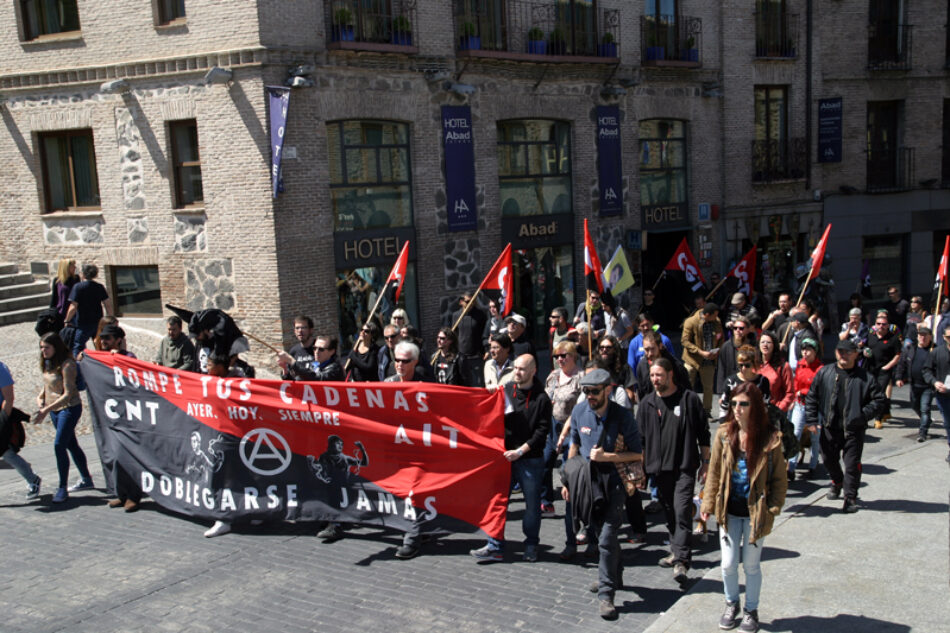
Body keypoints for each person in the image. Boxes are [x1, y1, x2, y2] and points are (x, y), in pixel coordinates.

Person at [701, 382, 788, 633]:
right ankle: (731, 603)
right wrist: (708, 503)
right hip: (728, 510)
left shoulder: (770, 438)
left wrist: (773, 509)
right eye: (734, 403)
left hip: (754, 512)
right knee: (728, 564)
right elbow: (715, 471)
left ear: (755, 407)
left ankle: (751, 609)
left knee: (751, 565)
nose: (737, 409)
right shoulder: (724, 433)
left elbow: (780, 479)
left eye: (743, 404)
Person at [562, 368, 643, 620]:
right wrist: (567, 481)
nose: (590, 396)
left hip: (615, 481)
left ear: (608, 390)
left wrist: (607, 456)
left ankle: (606, 594)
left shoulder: (622, 416)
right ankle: (613, 574)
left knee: (607, 537)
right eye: (586, 391)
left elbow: (638, 453)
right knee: (598, 532)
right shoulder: (579, 412)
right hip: (588, 482)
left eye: (595, 392)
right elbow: (573, 445)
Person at [471, 355, 551, 564]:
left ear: (533, 371)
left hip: (529, 459)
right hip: (504, 458)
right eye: (515, 368)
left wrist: (521, 451)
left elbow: (542, 432)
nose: (517, 372)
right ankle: (495, 545)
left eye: (522, 369)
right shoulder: (506, 391)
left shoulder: (542, 399)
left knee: (532, 506)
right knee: (497, 502)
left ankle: (531, 544)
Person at [638, 358, 710, 583]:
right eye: (652, 376)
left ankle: (682, 561)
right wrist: (641, 470)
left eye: (659, 375)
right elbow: (640, 441)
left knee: (681, 510)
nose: (655, 380)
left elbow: (703, 433)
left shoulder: (689, 400)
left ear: (670, 375)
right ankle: (675, 550)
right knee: (669, 512)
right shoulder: (647, 404)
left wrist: (706, 463)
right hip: (659, 469)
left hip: (684, 467)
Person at [805, 339, 886, 512]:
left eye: (848, 352)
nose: (843, 355)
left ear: (856, 354)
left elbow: (879, 400)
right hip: (829, 427)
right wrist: (811, 420)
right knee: (828, 459)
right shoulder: (825, 373)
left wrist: (862, 415)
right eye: (840, 351)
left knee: (851, 464)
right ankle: (837, 482)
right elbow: (812, 396)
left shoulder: (866, 378)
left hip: (853, 430)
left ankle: (850, 498)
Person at [384, 340, 432, 559]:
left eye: (405, 361)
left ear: (415, 362)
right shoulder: (387, 384)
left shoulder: (426, 385)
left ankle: (411, 537)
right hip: (396, 450)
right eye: (396, 360)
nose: (399, 365)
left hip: (420, 449)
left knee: (414, 493)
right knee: (404, 493)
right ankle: (417, 529)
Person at [35, 332, 94, 504]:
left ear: (56, 347)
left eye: (46, 347)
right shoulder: (47, 363)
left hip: (68, 408)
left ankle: (62, 487)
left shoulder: (68, 364)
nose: (43, 351)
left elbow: (68, 394)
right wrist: (40, 398)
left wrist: (46, 409)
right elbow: (47, 385)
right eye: (41, 347)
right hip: (54, 409)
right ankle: (86, 478)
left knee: (59, 445)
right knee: (71, 444)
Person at [542, 341, 583, 517]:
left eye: (563, 355)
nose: (560, 359)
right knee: (545, 462)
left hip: (572, 426)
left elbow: (583, 406)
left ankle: (573, 504)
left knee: (568, 467)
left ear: (573, 356)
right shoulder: (553, 375)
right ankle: (546, 502)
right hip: (552, 426)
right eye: (557, 356)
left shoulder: (580, 378)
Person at [0, 360, 42, 499]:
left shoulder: (1, 369)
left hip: (2, 417)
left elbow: (9, 398)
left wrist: (3, 420)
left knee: (6, 453)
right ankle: (31, 478)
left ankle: (32, 479)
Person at [788, 338, 822, 478]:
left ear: (815, 352)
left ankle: (813, 465)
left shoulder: (820, 369)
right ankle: (791, 467)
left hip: (814, 406)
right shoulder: (800, 366)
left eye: (808, 350)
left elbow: (819, 389)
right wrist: (794, 396)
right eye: (803, 350)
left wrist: (805, 392)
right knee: (795, 434)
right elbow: (796, 383)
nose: (805, 353)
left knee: (815, 437)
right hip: (800, 404)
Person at [681, 302, 723, 412]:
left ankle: (706, 410)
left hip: (709, 360)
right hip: (692, 360)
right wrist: (700, 352)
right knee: (688, 385)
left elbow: (720, 338)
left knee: (708, 387)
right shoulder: (691, 322)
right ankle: (686, 409)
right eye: (714, 315)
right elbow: (685, 341)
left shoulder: (717, 322)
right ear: (707, 315)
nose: (716, 317)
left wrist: (717, 350)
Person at [896, 326, 935, 443]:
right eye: (920, 335)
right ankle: (926, 420)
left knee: (925, 408)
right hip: (914, 384)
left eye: (925, 336)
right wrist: (899, 378)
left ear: (930, 337)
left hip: (928, 386)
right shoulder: (910, 349)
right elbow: (901, 365)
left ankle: (922, 432)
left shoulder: (934, 350)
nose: (922, 338)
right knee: (914, 405)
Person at [63, 264, 111, 356]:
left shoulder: (78, 287)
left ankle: (78, 365)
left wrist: (67, 320)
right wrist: (110, 319)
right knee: (100, 345)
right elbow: (108, 305)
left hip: (83, 322)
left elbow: (73, 307)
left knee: (78, 346)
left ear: (83, 274)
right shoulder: (99, 287)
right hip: (98, 321)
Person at [864, 311, 900, 428]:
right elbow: (864, 348)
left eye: (884, 324)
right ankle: (885, 411)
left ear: (888, 325)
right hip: (871, 368)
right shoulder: (870, 336)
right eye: (878, 324)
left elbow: (898, 354)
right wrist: (864, 352)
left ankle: (878, 418)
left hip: (884, 370)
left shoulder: (893, 338)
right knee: (869, 393)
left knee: (879, 392)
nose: (881, 326)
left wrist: (889, 366)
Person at [635, 330, 691, 402]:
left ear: (660, 346)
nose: (650, 353)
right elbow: (641, 393)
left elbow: (687, 392)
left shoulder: (675, 366)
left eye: (652, 349)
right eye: (646, 350)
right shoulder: (642, 366)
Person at [719, 346, 772, 418]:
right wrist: (723, 423)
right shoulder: (730, 381)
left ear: (753, 364)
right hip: (734, 421)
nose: (743, 368)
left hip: (755, 421)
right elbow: (724, 407)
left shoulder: (762, 381)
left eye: (747, 365)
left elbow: (765, 405)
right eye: (740, 365)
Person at [923, 324, 950, 462]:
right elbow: (926, 370)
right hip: (944, 395)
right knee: (948, 423)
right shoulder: (937, 352)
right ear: (945, 338)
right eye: (949, 337)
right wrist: (934, 382)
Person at [452, 293, 486, 387]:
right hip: (462, 357)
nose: (470, 303)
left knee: (478, 384)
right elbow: (454, 334)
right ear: (461, 302)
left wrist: (483, 351)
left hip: (476, 356)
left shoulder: (480, 315)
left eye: (473, 301)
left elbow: (484, 334)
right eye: (467, 301)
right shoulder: (456, 315)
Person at [717, 316, 757, 394]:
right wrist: (720, 391)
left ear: (748, 330)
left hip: (748, 387)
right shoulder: (726, 346)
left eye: (741, 328)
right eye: (735, 328)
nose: (738, 331)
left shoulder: (753, 347)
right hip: (731, 387)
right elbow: (721, 370)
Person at [757, 331, 793, 412]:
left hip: (774, 412)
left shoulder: (783, 366)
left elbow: (790, 393)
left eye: (768, 342)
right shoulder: (753, 365)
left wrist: (779, 409)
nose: (765, 345)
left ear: (774, 345)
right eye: (762, 342)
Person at [596, 335, 637, 405]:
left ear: (614, 349)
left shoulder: (624, 367)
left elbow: (630, 394)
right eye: (601, 347)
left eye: (608, 347)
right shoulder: (595, 367)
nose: (604, 350)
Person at [276, 315, 318, 381]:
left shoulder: (320, 349)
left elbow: (316, 377)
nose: (300, 331)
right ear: (294, 331)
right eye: (297, 328)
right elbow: (290, 381)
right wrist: (284, 369)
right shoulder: (294, 351)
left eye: (303, 328)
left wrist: (291, 360)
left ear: (311, 330)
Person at [49, 258, 79, 331]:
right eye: (73, 265)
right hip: (61, 312)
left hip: (74, 312)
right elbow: (54, 298)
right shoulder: (57, 280)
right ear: (66, 267)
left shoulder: (76, 279)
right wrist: (51, 314)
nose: (75, 267)